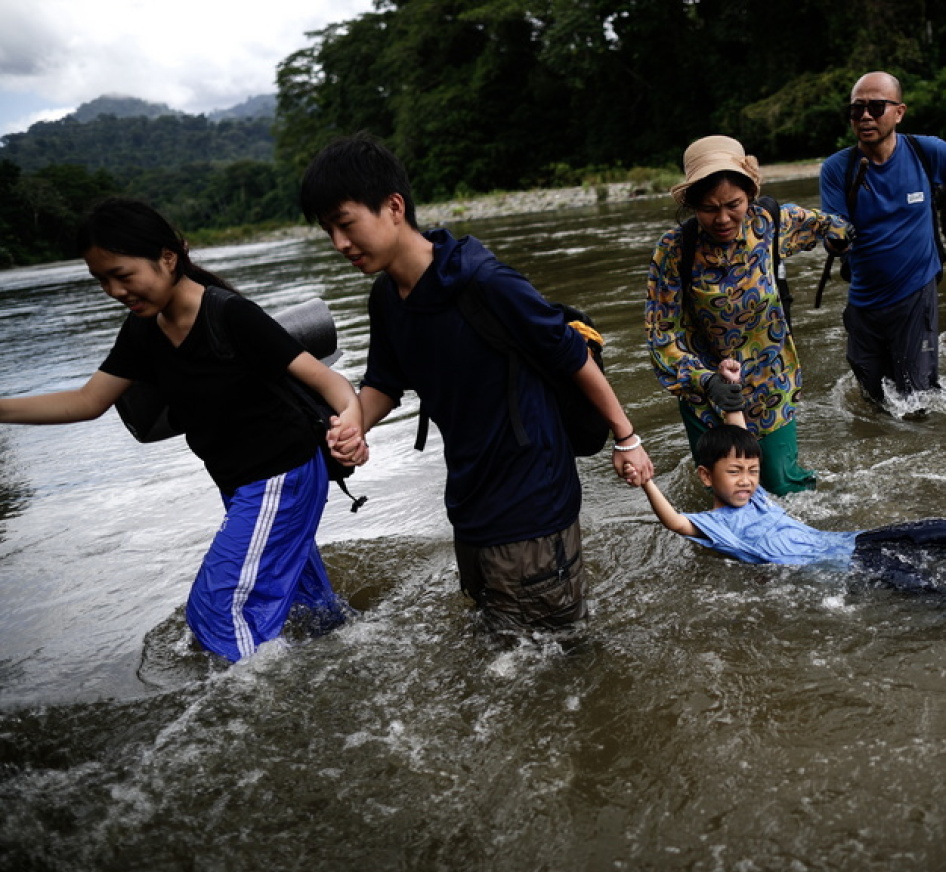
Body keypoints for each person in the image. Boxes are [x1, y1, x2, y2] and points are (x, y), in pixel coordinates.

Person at [300, 133, 653, 637]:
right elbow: (383, 382)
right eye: (328, 231)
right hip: (470, 502)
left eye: (346, 224)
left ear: (394, 206)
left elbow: (572, 355)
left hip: (534, 498)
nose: (339, 244)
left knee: (555, 655)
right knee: (501, 646)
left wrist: (627, 439)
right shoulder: (387, 298)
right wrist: (353, 426)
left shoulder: (485, 282)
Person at [0, 198, 363, 662]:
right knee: (309, 611)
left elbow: (331, 383)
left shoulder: (230, 315)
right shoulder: (143, 330)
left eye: (122, 274)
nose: (114, 290)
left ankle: (265, 719)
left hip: (281, 477)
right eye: (101, 280)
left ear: (168, 258)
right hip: (240, 486)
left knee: (216, 613)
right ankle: (348, 664)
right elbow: (87, 402)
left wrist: (350, 425)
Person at [646, 135, 851, 496]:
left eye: (733, 204)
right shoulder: (676, 249)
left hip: (770, 382)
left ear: (750, 196)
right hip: (707, 392)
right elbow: (661, 334)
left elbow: (828, 225)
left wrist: (840, 238)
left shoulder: (770, 222)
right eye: (708, 208)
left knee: (783, 486)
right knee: (727, 494)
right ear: (692, 205)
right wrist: (705, 381)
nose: (722, 218)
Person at [627, 423, 946, 594]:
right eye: (734, 472)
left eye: (753, 470)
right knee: (919, 582)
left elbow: (741, 434)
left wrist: (732, 384)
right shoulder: (715, 524)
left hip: (850, 542)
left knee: (940, 529)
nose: (746, 480)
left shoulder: (754, 494)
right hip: (842, 567)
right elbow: (673, 521)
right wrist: (647, 481)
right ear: (706, 478)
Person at [819, 71, 946, 406]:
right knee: (873, 401)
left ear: (899, 112)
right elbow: (835, 225)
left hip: (916, 293)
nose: (866, 116)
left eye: (876, 107)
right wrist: (835, 240)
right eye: (857, 109)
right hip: (864, 301)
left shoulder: (925, 151)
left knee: (917, 398)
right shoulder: (837, 168)